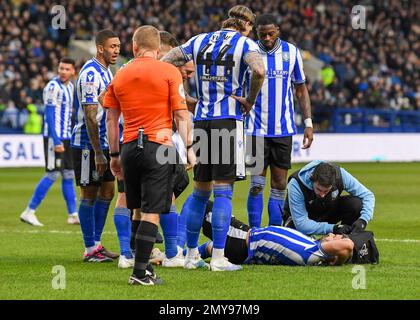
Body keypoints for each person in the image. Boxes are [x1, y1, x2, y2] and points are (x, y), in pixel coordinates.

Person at [162, 5, 265, 272]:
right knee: (223, 191)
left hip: (201, 121)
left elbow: (166, 63)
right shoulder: (245, 44)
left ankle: (191, 254)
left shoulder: (199, 40)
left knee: (199, 191)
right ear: (245, 26)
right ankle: (219, 258)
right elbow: (260, 71)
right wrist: (250, 101)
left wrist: (185, 97)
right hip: (227, 122)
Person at [104, 25, 192, 285]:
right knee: (153, 211)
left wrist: (114, 155)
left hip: (129, 146)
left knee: (137, 209)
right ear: (158, 48)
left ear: (133, 46)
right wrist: (189, 147)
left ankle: (139, 264)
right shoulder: (168, 71)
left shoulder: (120, 73)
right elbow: (181, 113)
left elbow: (111, 118)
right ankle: (140, 273)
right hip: (159, 145)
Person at [154, 200, 379, 266]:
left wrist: (339, 256)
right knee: (211, 246)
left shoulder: (317, 252)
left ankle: (174, 252)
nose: (335, 236)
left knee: (202, 205)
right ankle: (177, 255)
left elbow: (347, 247)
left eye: (336, 237)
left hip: (246, 242)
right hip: (247, 239)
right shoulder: (313, 246)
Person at [245, 14, 314, 229]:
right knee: (256, 185)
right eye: (262, 34)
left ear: (278, 30)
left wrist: (308, 122)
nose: (266, 38)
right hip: (255, 130)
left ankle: (274, 232)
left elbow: (300, 89)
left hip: (283, 130)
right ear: (256, 33)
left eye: (270, 34)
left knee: (279, 184)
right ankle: (255, 233)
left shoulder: (291, 52)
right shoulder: (248, 51)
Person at [71, 29, 120, 262]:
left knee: (108, 192)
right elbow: (91, 116)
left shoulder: (107, 72)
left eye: (118, 46)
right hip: (87, 146)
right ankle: (89, 247)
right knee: (89, 194)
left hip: (105, 144)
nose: (117, 50)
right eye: (112, 46)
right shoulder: (91, 74)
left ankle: (97, 244)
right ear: (100, 47)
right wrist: (99, 153)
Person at [20, 58, 79, 226]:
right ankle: (29, 211)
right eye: (61, 68)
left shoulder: (71, 86)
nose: (63, 71)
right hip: (55, 138)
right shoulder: (53, 87)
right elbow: (49, 116)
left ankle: (72, 214)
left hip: (67, 137)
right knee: (52, 173)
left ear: (73, 71)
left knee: (68, 174)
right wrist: (56, 139)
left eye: (67, 69)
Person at [283, 160, 375, 236]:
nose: (322, 195)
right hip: (298, 220)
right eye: (319, 189)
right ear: (312, 179)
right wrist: (333, 228)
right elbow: (301, 224)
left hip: (326, 210)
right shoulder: (296, 184)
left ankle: (346, 241)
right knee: (295, 250)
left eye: (326, 191)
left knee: (355, 204)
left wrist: (363, 220)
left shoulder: (340, 175)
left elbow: (367, 195)